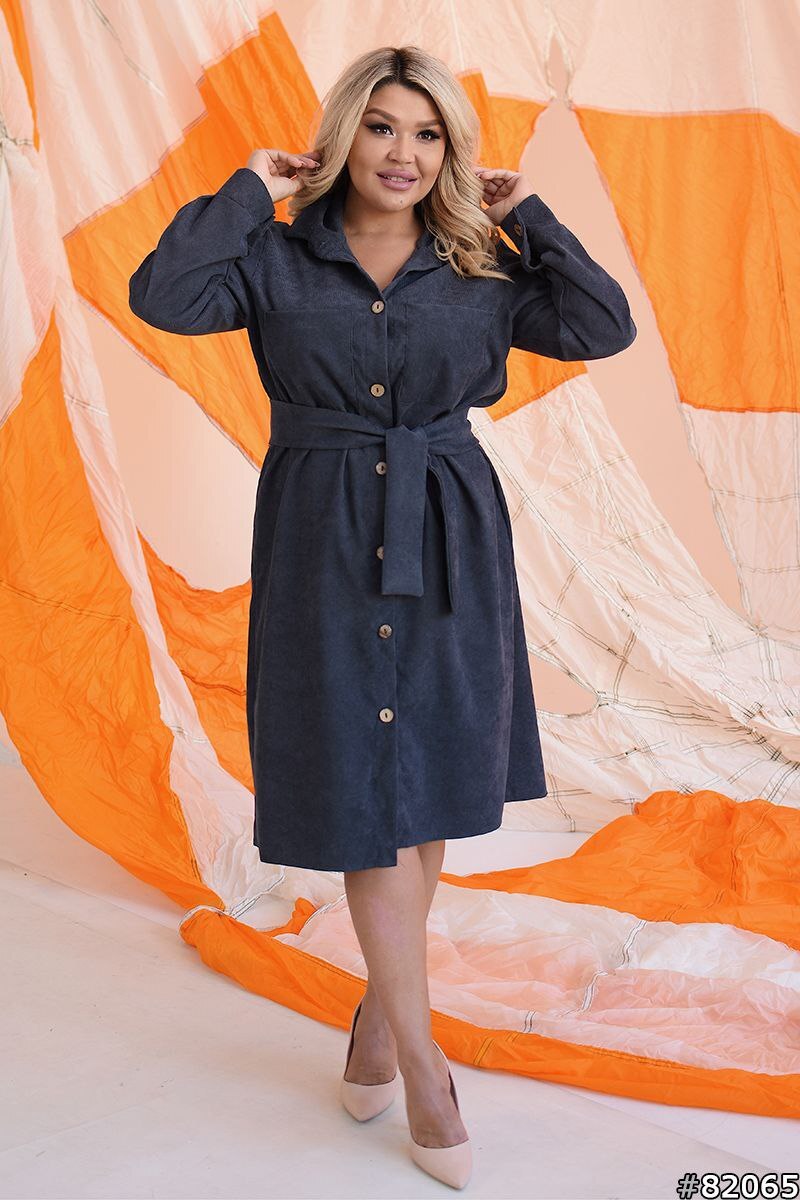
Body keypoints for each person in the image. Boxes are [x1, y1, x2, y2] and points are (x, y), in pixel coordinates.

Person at [129, 44, 636, 1191]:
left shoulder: (478, 262)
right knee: (366, 793)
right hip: (320, 542)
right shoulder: (272, 253)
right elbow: (162, 295)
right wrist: (249, 189)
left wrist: (529, 212)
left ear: (450, 150)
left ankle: (375, 1021)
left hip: (447, 538)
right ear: (342, 134)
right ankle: (422, 1063)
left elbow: (599, 325)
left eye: (427, 133)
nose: (402, 153)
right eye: (380, 126)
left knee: (423, 783)